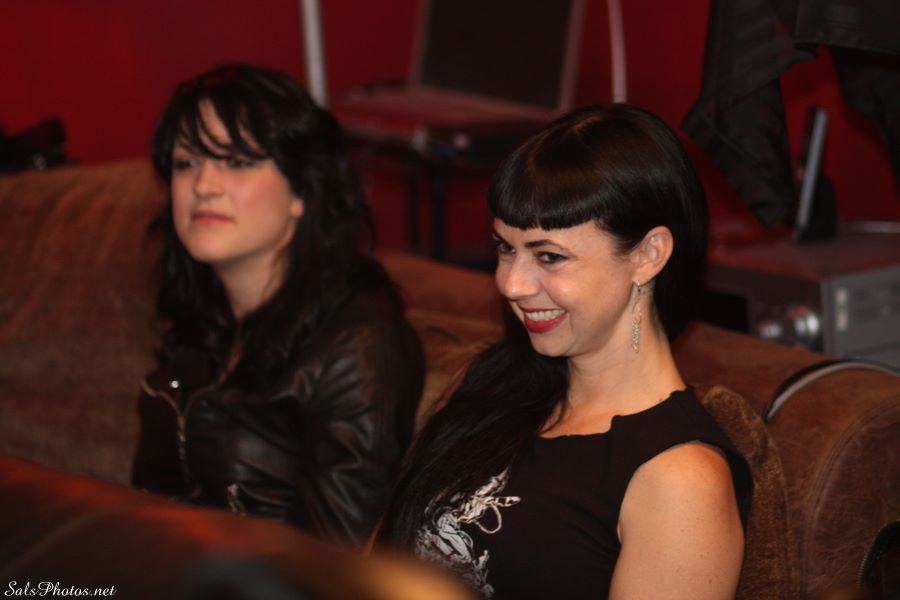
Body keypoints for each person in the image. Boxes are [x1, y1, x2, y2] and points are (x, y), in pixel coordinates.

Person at [377, 104, 752, 599]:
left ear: (648, 255)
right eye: (505, 248)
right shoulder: (490, 381)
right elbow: (377, 559)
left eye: (549, 256)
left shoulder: (681, 477)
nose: (511, 284)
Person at [132, 64, 424, 547]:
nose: (203, 185)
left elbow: (333, 562)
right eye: (187, 163)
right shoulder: (205, 319)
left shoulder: (358, 346)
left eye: (236, 161)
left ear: (300, 191)